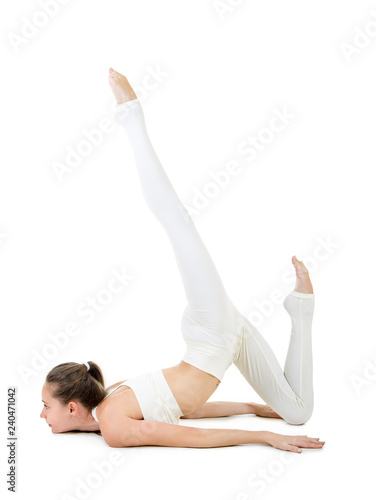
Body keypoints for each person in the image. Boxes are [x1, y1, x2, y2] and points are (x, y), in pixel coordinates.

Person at [40, 68, 325, 454]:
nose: (42, 415)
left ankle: (130, 114)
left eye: (46, 407)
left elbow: (189, 437)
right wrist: (255, 410)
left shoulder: (114, 426)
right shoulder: (111, 407)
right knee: (297, 412)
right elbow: (188, 412)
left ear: (72, 407)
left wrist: (262, 436)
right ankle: (301, 310)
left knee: (177, 223)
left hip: (211, 332)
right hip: (226, 339)